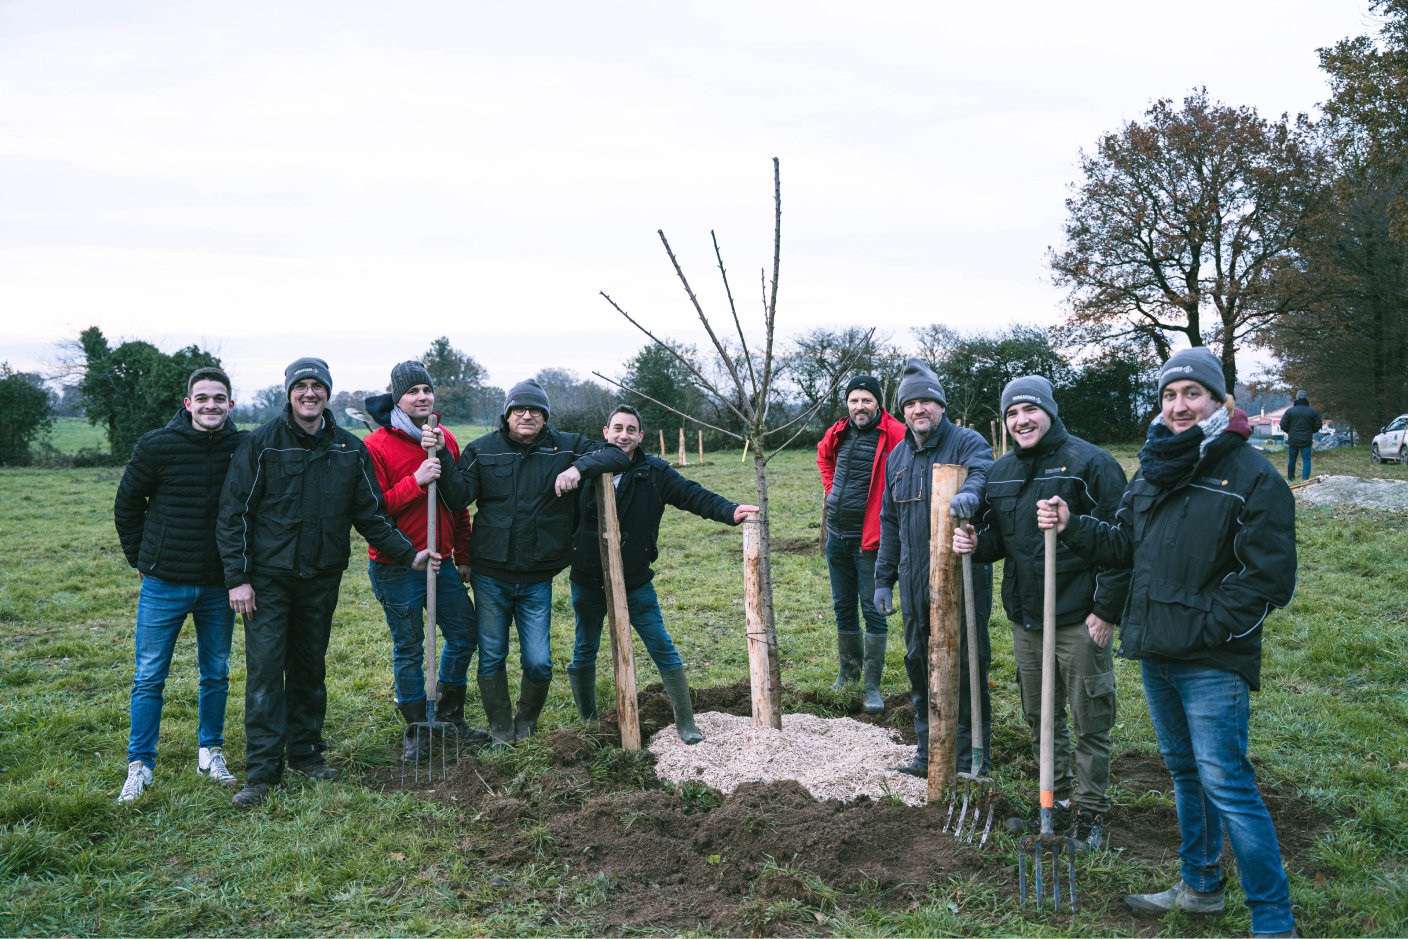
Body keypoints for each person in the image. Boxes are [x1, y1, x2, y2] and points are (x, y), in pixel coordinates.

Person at [1036, 346, 1297, 937]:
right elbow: (1124, 545)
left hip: (1211, 657)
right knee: (1184, 774)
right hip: (1156, 651)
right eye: (1169, 395)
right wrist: (1074, 524)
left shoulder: (1253, 475)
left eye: (1192, 394)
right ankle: (1200, 887)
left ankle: (1273, 919)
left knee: (1226, 781)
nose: (1179, 406)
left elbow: (1268, 579)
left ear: (1218, 400)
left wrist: (1207, 627)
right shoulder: (1153, 469)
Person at [218, 357, 438, 808]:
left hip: (321, 578)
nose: (310, 393)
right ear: (289, 393)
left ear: (328, 393)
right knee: (264, 674)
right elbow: (234, 513)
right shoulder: (261, 444)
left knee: (309, 668)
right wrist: (238, 579)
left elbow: (371, 515)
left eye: (318, 386)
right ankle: (262, 773)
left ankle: (305, 754)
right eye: (301, 386)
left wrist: (408, 553)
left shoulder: (348, 449)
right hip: (269, 580)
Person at [952, 376, 1129, 851]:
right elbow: (999, 539)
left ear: (1049, 411)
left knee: (1089, 716)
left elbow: (1124, 543)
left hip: (1079, 615)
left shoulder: (1092, 464)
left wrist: (1106, 610)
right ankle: (1055, 799)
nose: (1020, 420)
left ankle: (1090, 810)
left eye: (1029, 410)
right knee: (1040, 716)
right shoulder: (1003, 469)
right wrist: (975, 542)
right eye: (1011, 413)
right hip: (1028, 617)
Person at [424, 378, 631, 746]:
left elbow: (617, 455)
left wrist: (578, 469)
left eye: (536, 410)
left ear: (545, 416)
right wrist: (440, 454)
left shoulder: (566, 447)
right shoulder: (482, 450)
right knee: (492, 656)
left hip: (538, 575)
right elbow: (457, 497)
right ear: (506, 414)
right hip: (490, 573)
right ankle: (502, 728)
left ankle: (526, 721)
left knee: (538, 661)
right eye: (519, 408)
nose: (527, 415)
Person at [566, 405, 758, 743]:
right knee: (585, 647)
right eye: (617, 428)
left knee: (661, 646)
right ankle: (588, 721)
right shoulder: (585, 467)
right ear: (606, 432)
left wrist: (729, 510)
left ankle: (686, 722)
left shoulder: (653, 472)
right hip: (588, 579)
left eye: (631, 430)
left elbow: (691, 494)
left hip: (635, 579)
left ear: (640, 437)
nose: (623, 435)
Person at [112, 367, 246, 803]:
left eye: (219, 398)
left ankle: (211, 752)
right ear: (188, 403)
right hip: (164, 583)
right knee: (149, 675)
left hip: (217, 586)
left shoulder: (241, 447)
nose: (211, 405)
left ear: (230, 404)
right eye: (202, 398)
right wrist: (141, 558)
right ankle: (140, 764)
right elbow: (128, 504)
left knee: (217, 673)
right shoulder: (157, 445)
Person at [873, 358, 994, 778]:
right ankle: (927, 753)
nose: (918, 409)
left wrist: (972, 494)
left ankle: (968, 757)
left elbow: (983, 471)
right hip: (912, 581)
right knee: (918, 662)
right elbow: (889, 522)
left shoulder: (966, 442)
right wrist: (883, 579)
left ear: (941, 406)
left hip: (962, 578)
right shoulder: (898, 457)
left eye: (926, 401)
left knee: (964, 665)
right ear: (902, 411)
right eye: (910, 404)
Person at [363, 361, 488, 762]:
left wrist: (463, 554)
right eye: (412, 391)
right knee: (409, 648)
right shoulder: (376, 446)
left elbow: (457, 504)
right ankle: (417, 729)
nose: (422, 397)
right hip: (395, 566)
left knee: (465, 634)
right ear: (397, 397)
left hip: (442, 563)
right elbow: (373, 510)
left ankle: (449, 716)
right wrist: (416, 481)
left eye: (426, 390)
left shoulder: (445, 439)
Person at [816, 375, 908, 712]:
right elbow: (823, 456)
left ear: (878, 403)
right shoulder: (839, 430)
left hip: (872, 541)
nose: (860, 407)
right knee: (843, 607)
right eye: (854, 401)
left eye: (866, 401)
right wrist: (831, 491)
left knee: (873, 610)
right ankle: (848, 673)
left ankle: (871, 685)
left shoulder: (896, 433)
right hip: (837, 537)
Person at [1280, 390, 1321, 482]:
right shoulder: (1313, 411)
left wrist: (1290, 431)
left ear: (1297, 398)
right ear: (1306, 399)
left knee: (1292, 459)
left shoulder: (1290, 411)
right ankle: (1305, 480)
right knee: (1306, 460)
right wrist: (1311, 431)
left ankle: (1290, 479)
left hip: (1293, 439)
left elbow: (1283, 424)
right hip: (1306, 439)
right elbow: (1318, 424)